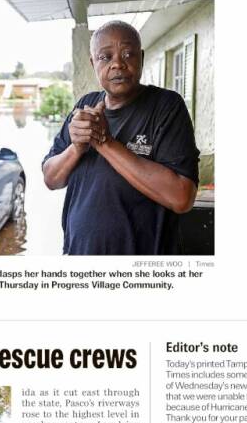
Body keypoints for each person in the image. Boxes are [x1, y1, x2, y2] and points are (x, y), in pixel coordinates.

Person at [42, 20, 199, 256]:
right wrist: (76, 149)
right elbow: (51, 179)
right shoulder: (85, 106)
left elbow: (181, 197)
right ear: (93, 62)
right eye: (105, 57)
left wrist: (105, 142)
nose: (118, 64)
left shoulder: (166, 106)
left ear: (141, 58)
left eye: (128, 53)